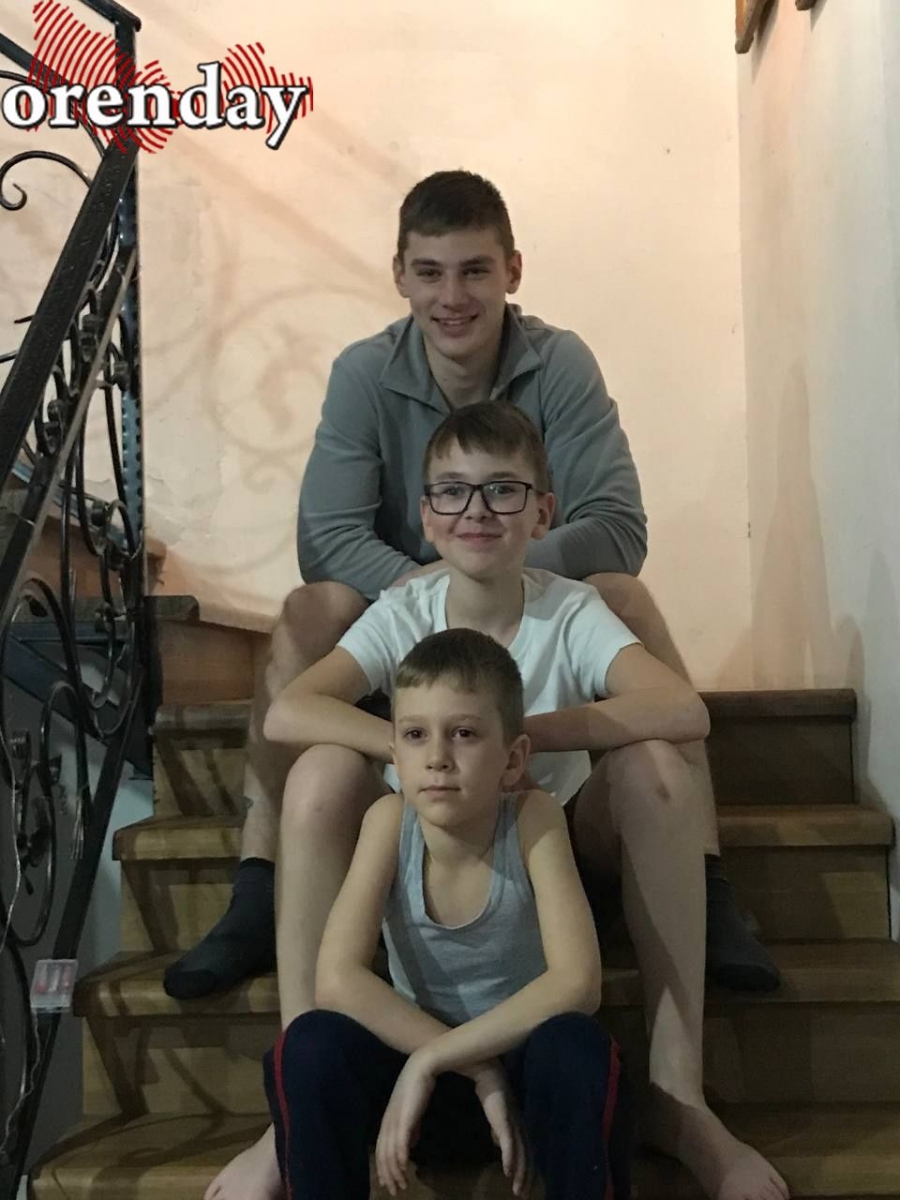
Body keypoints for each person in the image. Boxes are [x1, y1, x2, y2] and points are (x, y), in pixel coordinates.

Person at [165, 168, 777, 1007]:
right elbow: (327, 540)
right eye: (430, 272)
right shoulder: (364, 372)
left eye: (474, 271)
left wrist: (497, 560)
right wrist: (434, 582)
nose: (452, 297)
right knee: (312, 608)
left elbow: (616, 527)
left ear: (512, 271)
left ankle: (703, 881)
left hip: (512, 594)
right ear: (400, 276)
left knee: (622, 596)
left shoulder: (560, 362)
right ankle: (261, 882)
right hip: (408, 625)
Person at [206, 403, 789, 1200]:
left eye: (502, 491)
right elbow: (288, 712)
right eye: (452, 491)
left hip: (551, 845)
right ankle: (292, 1114)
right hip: (429, 843)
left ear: (542, 513)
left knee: (657, 767)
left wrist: (517, 742)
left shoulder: (567, 608)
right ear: (426, 515)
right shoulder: (405, 612)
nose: (476, 511)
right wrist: (415, 749)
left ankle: (677, 1094)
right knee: (318, 774)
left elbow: (683, 709)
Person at [262, 627, 632, 1200]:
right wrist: (468, 1068)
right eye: (415, 735)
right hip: (418, 1094)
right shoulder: (388, 823)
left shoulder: (532, 819)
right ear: (395, 754)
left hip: (521, 1093)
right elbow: (336, 979)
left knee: (577, 1050)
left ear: (513, 758)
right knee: (308, 1046)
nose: (436, 757)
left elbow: (578, 983)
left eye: (463, 733)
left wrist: (440, 1057)